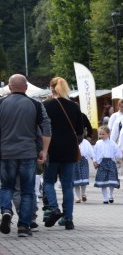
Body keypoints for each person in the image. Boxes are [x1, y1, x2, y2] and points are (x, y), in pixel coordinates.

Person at [0, 74, 51, 237]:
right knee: (28, 191)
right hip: (28, 153)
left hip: (6, 152)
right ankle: (24, 226)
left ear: (9, 86)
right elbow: (46, 127)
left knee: (7, 186)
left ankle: (6, 210)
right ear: (26, 87)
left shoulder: (1, 103)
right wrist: (44, 150)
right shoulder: (35, 104)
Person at [42, 76, 87, 229]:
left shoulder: (45, 105)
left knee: (49, 182)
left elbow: (40, 129)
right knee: (67, 185)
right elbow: (80, 133)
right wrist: (74, 143)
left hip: (51, 149)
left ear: (51, 87)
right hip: (69, 150)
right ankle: (68, 219)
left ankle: (54, 208)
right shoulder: (74, 106)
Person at [92, 125, 122, 203]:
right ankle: (105, 198)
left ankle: (110, 195)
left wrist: (119, 158)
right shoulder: (98, 143)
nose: (101, 135)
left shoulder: (112, 143)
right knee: (103, 182)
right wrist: (95, 161)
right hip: (101, 163)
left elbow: (117, 152)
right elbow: (94, 153)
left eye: (103, 134)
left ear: (108, 134)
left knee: (111, 181)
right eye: (100, 134)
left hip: (111, 163)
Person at [73, 135, 94, 203]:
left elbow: (91, 152)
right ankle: (78, 197)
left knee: (84, 179)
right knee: (76, 181)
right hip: (75, 161)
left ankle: (83, 194)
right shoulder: (72, 141)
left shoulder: (86, 142)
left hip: (83, 161)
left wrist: (94, 159)